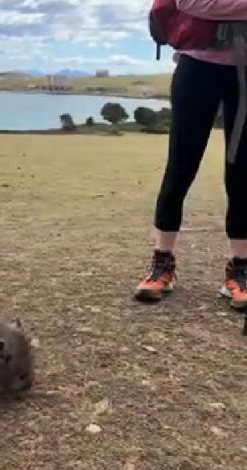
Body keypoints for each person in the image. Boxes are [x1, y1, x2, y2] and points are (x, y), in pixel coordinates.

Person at [134, 0, 247, 310]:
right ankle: (162, 264)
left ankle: (240, 269)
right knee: (180, 166)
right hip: (196, 67)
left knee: (243, 173)